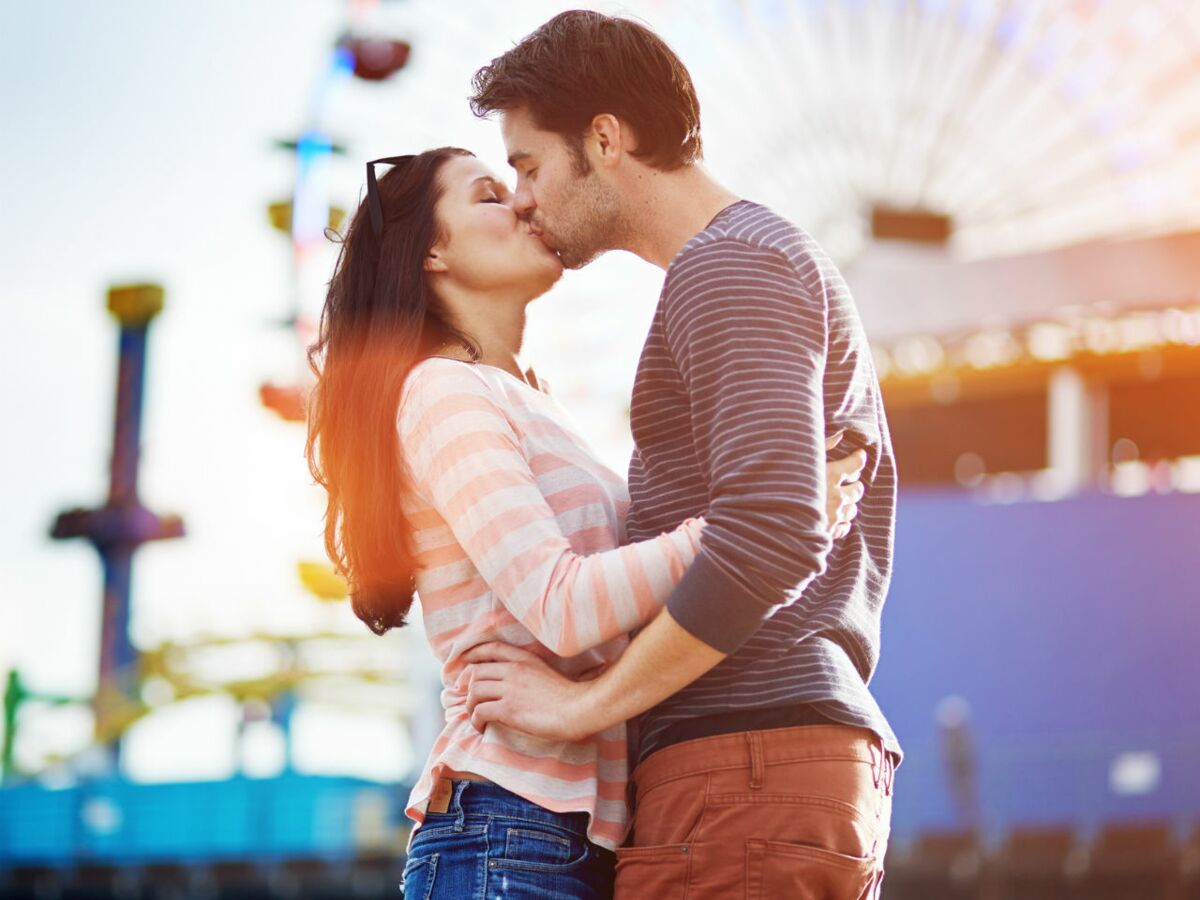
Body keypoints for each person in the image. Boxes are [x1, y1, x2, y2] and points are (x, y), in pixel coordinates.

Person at [304, 147, 867, 899]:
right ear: (432, 251)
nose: (525, 204)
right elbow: (563, 607)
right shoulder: (443, 390)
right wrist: (761, 518)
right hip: (506, 824)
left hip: (580, 831)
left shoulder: (532, 401)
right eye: (490, 195)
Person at [460, 11, 901, 898]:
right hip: (763, 770)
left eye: (528, 164)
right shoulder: (752, 261)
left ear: (605, 139)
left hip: (743, 769)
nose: (521, 199)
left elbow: (772, 534)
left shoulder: (730, 266)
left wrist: (583, 705)